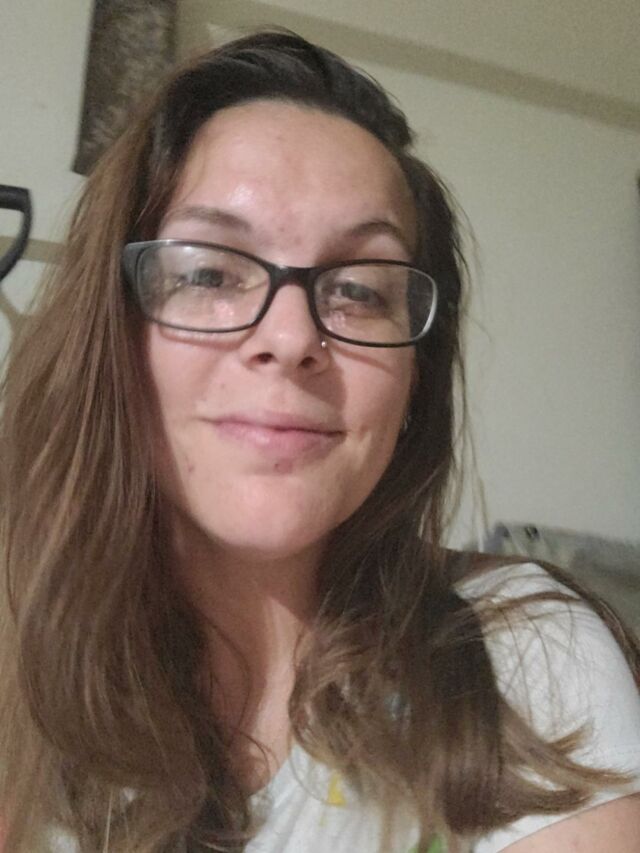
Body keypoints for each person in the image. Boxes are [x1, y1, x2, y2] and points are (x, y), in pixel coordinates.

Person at [0, 30, 638, 853]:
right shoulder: (19, 655)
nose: (293, 336)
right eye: (210, 272)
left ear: (414, 377)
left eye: (359, 290)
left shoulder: (522, 660)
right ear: (113, 333)